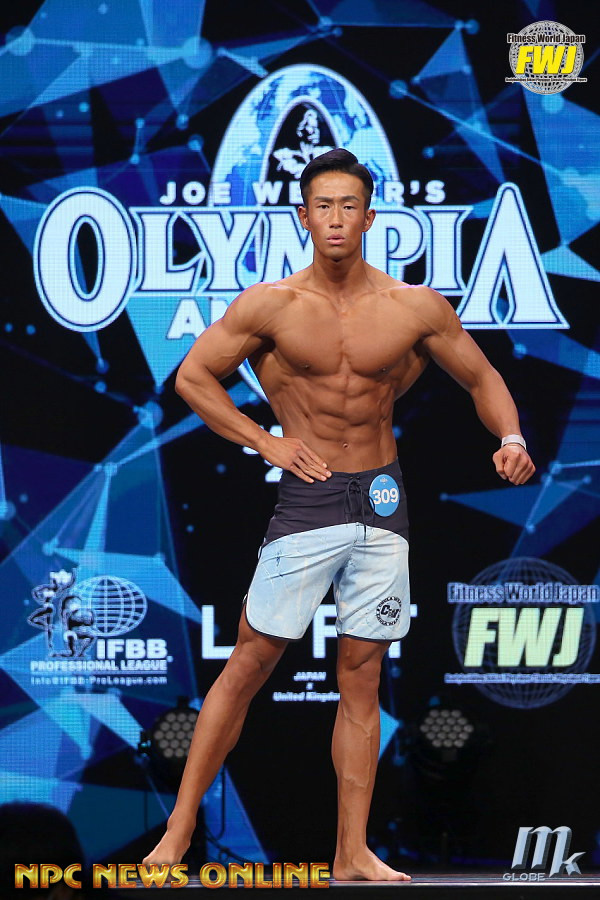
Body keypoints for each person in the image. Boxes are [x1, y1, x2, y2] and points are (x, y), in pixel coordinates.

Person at [143, 148, 535, 879]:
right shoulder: (272, 306)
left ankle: (351, 852)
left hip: (383, 498)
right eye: (323, 205)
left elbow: (482, 377)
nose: (335, 219)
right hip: (311, 495)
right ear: (303, 216)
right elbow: (193, 377)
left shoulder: (413, 307)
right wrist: (266, 441)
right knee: (249, 663)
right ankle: (179, 829)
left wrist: (510, 438)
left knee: (362, 674)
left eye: (348, 206)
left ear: (369, 217)